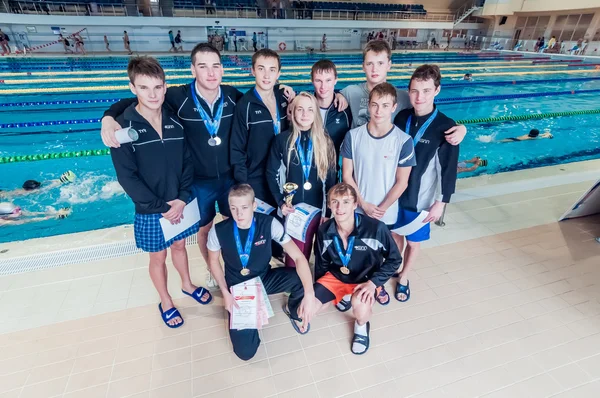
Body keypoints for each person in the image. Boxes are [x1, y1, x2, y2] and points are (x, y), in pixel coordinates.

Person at [102, 43, 282, 289]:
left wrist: (284, 91)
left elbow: (263, 95)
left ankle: (239, 267)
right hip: (198, 182)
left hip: (231, 179)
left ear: (222, 70)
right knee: (205, 229)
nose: (210, 73)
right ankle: (212, 269)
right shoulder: (179, 97)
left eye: (215, 66)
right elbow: (140, 98)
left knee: (240, 223)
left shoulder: (232, 96)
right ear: (192, 69)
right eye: (203, 66)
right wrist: (108, 117)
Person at [109, 56, 211, 329]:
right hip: (152, 209)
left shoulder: (175, 121)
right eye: (144, 88)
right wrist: (163, 207)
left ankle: (187, 284)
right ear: (133, 89)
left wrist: (181, 197)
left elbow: (187, 161)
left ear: (165, 87)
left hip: (181, 201)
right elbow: (127, 179)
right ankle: (166, 300)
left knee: (180, 246)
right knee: (158, 256)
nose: (152, 94)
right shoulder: (123, 129)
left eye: (157, 87)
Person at [207, 184, 316, 360]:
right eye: (233, 208)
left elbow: (299, 258)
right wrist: (225, 293)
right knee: (245, 353)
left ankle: (294, 309)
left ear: (254, 206)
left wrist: (310, 294)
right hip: (237, 288)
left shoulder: (269, 224)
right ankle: (249, 319)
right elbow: (213, 261)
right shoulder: (218, 230)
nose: (239, 214)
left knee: (301, 279)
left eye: (244, 207)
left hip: (263, 278)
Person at [341, 82, 415, 308]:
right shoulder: (353, 136)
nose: (378, 111)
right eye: (374, 105)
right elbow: (347, 175)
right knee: (355, 248)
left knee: (382, 250)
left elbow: (402, 182)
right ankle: (350, 284)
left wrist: (380, 208)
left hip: (387, 210)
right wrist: (363, 203)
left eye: (384, 105)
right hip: (359, 207)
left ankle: (377, 284)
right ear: (369, 106)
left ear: (394, 107)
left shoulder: (404, 141)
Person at [393, 64, 460, 303]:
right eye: (414, 91)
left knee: (414, 241)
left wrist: (441, 202)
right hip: (396, 192)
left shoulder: (446, 126)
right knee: (396, 234)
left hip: (422, 197)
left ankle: (404, 277)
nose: (419, 97)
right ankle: (394, 265)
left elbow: (449, 169)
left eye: (426, 91)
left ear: (437, 90)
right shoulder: (402, 117)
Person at [312, 183, 401, 354]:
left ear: (355, 204)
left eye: (346, 202)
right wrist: (321, 293)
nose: (340, 208)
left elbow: (395, 259)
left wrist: (374, 283)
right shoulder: (324, 231)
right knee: (311, 305)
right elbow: (321, 263)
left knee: (360, 306)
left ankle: (361, 327)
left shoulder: (375, 228)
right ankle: (343, 295)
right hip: (338, 277)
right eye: (335, 202)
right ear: (329, 205)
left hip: (365, 280)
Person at [340, 40, 467, 145]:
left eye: (380, 63)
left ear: (389, 65)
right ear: (363, 66)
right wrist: (339, 96)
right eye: (369, 64)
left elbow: (428, 114)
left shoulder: (402, 97)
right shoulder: (351, 92)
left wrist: (461, 128)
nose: (375, 69)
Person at [266, 92, 337, 266]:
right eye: (300, 109)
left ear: (316, 114)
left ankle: (317, 287)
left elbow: (331, 180)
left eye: (310, 110)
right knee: (295, 259)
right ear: (292, 112)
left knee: (321, 255)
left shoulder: (325, 142)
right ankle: (297, 288)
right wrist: (281, 203)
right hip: (293, 209)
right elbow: (270, 173)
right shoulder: (282, 140)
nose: (305, 114)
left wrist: (328, 213)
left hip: (318, 209)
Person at [230, 49, 293, 208]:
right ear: (252, 71)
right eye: (261, 68)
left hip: (285, 176)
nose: (266, 75)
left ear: (278, 73)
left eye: (272, 70)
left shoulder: (284, 98)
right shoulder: (245, 105)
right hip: (256, 180)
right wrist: (244, 185)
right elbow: (237, 148)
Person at [310, 59, 352, 162]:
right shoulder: (305, 107)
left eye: (328, 80)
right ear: (312, 81)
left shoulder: (345, 111)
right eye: (318, 81)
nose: (323, 86)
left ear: (335, 80)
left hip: (334, 173)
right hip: (307, 172)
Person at [1, 171, 76, 199]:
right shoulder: (26, 192)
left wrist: (58, 180)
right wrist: (60, 182)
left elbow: (42, 183)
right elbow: (44, 189)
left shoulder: (23, 190)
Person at [0, 202, 72, 226]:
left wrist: (55, 212)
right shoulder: (2, 222)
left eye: (18, 209)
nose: (20, 211)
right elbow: (25, 221)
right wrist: (50, 218)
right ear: (6, 216)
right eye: (16, 211)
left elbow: (32, 214)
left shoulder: (16, 213)